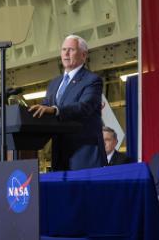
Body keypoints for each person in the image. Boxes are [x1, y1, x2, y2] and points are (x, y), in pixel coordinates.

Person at [29, 35, 106, 170]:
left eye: (71, 49)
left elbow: (84, 107)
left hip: (84, 156)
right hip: (59, 155)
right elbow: (45, 107)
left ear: (83, 55)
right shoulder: (54, 84)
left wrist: (56, 110)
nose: (66, 53)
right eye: (63, 49)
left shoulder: (92, 80)